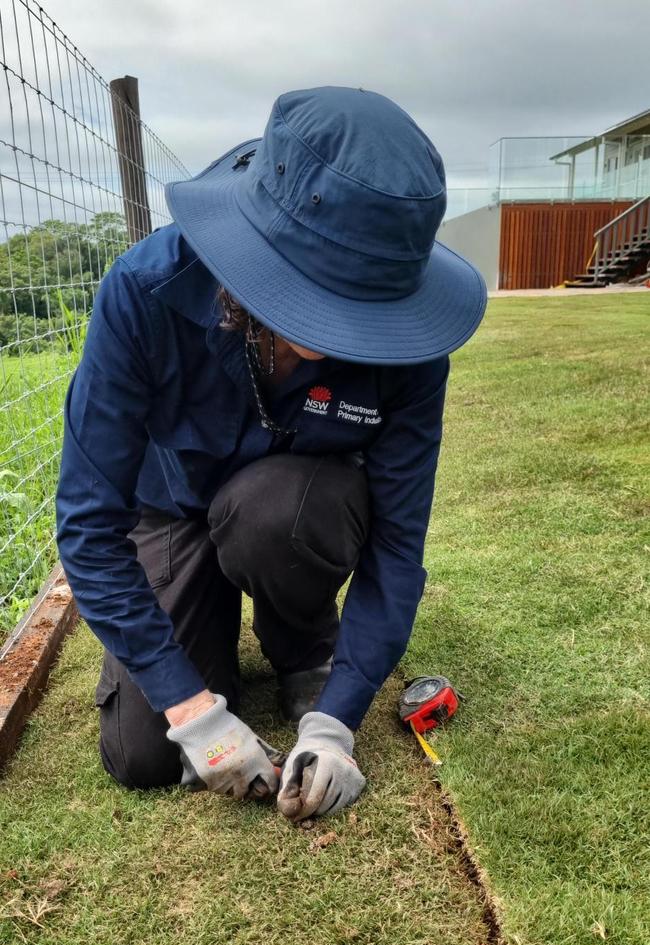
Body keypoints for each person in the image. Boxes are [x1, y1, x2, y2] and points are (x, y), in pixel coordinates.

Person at [55, 86, 486, 821]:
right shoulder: (142, 293)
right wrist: (192, 710)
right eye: (321, 298)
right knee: (145, 754)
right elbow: (89, 528)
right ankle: (206, 623)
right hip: (172, 512)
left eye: (365, 309)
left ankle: (303, 647)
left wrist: (337, 718)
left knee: (271, 514)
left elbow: (397, 547)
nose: (344, 333)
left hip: (288, 514)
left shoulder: (414, 356)